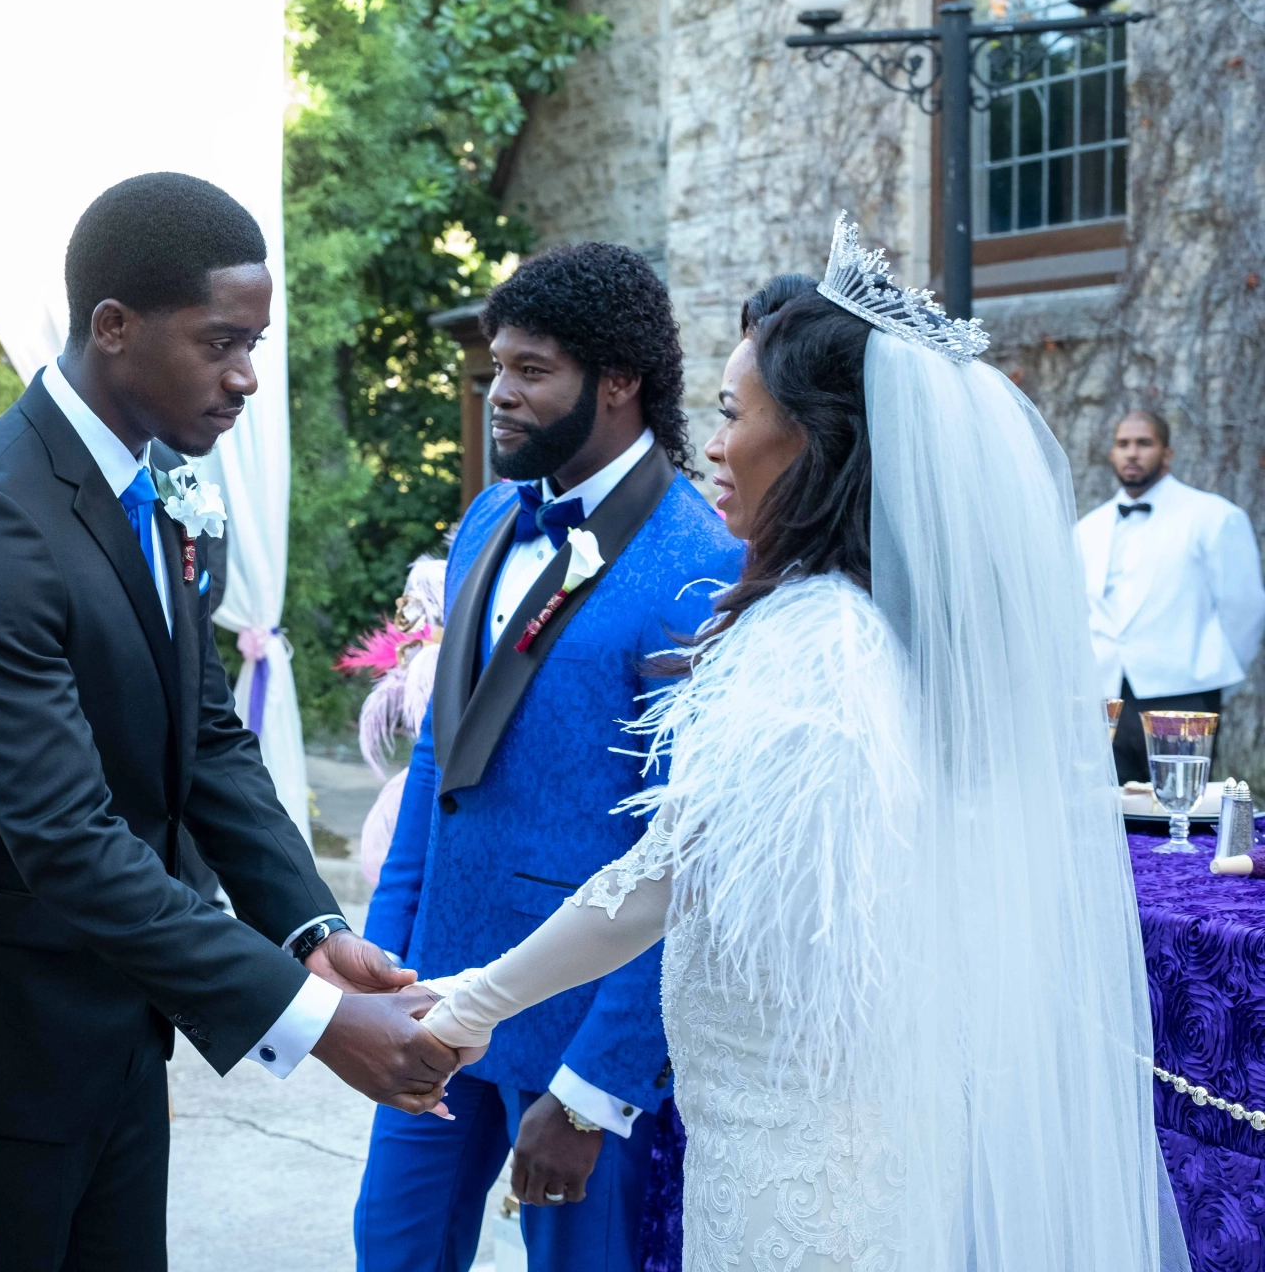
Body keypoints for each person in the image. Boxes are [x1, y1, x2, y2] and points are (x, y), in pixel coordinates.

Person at [415, 217, 1189, 1271]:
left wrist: (470, 1004)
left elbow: (664, 875)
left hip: (803, 1166)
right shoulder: (866, 628)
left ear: (819, 440)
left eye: (736, 413)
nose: (716, 442)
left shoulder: (814, 646)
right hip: (825, 1133)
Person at [0, 172, 457, 1271]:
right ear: (114, 326)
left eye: (255, 345)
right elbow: (65, 838)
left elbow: (207, 739)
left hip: (122, 1030)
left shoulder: (153, 487)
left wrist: (311, 928)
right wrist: (314, 1018)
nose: (246, 377)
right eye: (221, 343)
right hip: (8, 1052)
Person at [357, 244, 743, 1272]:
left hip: (576, 1023)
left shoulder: (701, 566)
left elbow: (684, 853)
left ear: (618, 382)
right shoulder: (491, 511)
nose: (501, 394)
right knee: (388, 1248)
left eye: (532, 371)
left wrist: (597, 1081)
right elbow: (442, 767)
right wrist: (384, 976)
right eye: (497, 367)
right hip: (434, 997)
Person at [1074, 411, 1265, 783]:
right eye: (1122, 444)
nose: (1132, 453)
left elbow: (1244, 610)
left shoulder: (1214, 517)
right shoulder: (1086, 528)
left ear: (1167, 453)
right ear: (1111, 453)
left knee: (1182, 813)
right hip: (1105, 695)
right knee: (1113, 814)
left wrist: (1212, 677)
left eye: (1144, 443)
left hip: (1185, 691)